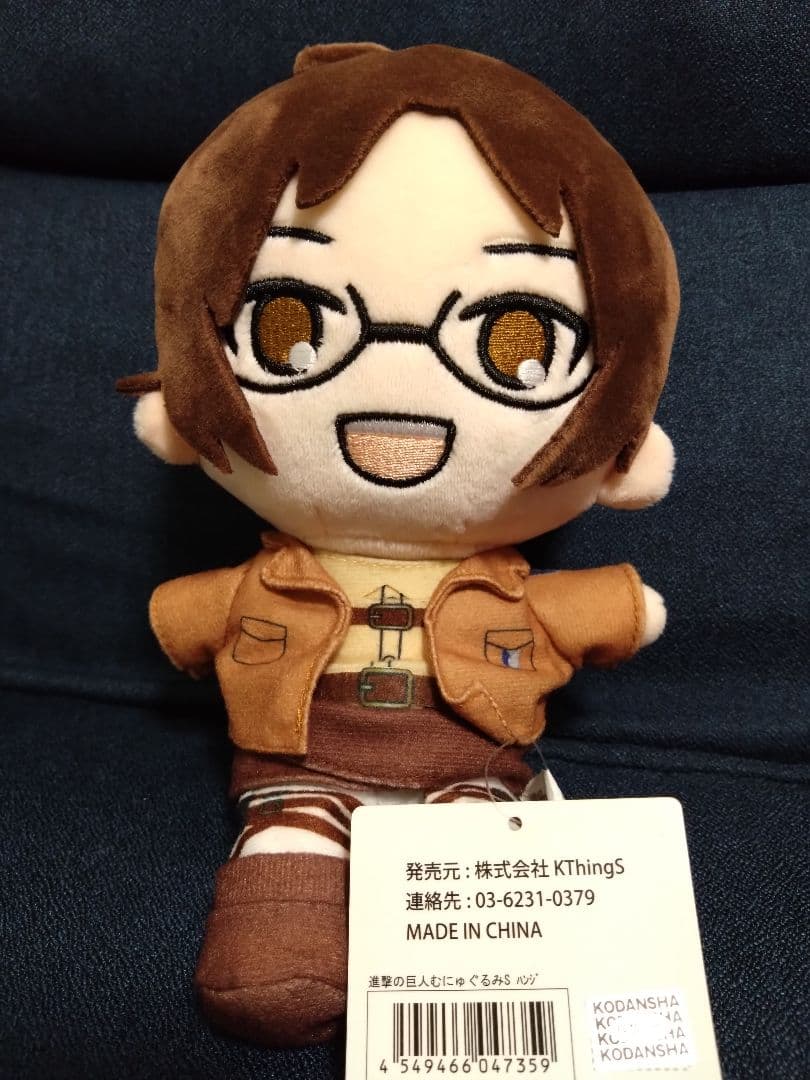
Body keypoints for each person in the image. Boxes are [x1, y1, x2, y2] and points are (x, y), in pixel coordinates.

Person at [119, 42, 679, 1048]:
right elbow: (183, 618)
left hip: (474, 774)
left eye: (516, 340)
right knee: (286, 848)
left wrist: (623, 609)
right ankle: (285, 903)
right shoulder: (270, 581)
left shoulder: (502, 586)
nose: (398, 392)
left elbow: (591, 612)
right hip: (301, 767)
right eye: (290, 326)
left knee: (485, 892)